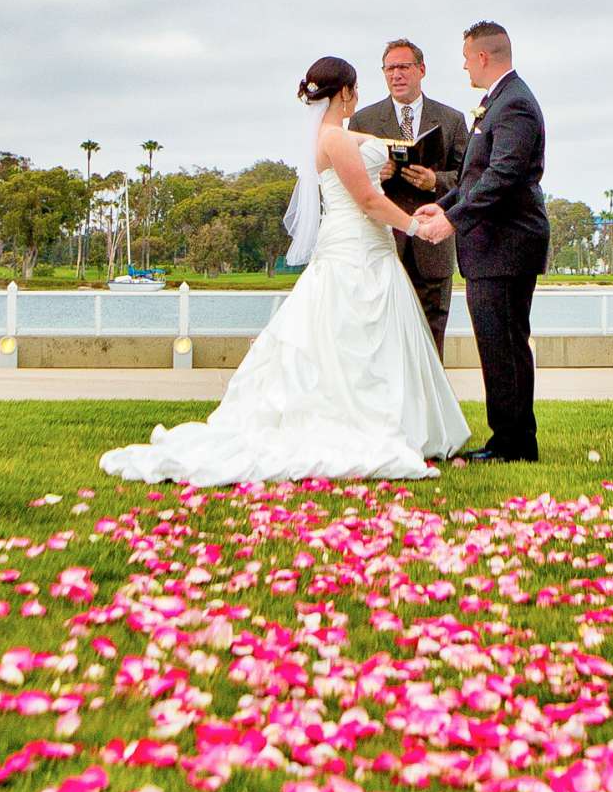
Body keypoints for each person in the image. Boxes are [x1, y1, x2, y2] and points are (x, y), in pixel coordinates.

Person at [100, 57, 468, 483]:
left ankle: (394, 423)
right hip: (357, 247)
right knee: (354, 337)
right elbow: (368, 201)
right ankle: (369, 422)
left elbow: (366, 146)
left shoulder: (332, 135)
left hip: (361, 246)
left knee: (358, 337)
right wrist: (416, 227)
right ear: (345, 93)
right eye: (356, 90)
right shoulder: (337, 141)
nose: (360, 97)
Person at [416, 23, 551, 463]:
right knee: (495, 344)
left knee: (505, 344)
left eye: (466, 56)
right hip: (490, 246)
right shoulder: (496, 103)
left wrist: (452, 222)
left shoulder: (515, 106)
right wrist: (445, 204)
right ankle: (506, 438)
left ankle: (515, 443)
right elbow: (476, 175)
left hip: (506, 245)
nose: (462, 64)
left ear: (483, 57)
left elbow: (503, 177)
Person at [347, 39, 469, 354]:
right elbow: (349, 180)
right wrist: (376, 175)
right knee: (381, 338)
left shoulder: (452, 119)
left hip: (433, 242)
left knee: (431, 338)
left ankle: (429, 402)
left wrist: (434, 182)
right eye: (390, 69)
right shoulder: (364, 120)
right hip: (384, 243)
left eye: (404, 67)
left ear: (421, 70)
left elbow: (468, 178)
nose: (396, 75)